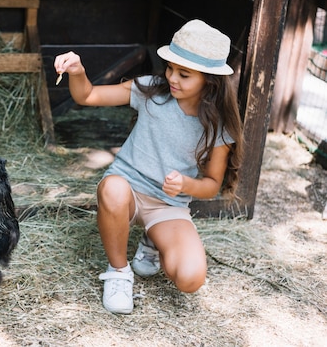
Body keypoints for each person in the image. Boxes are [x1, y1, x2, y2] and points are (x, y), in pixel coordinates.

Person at [53, 19, 244, 314]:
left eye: (184, 74)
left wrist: (185, 184)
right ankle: (118, 273)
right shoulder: (151, 90)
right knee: (113, 189)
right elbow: (87, 95)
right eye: (170, 68)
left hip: (169, 205)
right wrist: (78, 71)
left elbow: (211, 186)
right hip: (127, 191)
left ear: (209, 80)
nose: (172, 78)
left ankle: (153, 238)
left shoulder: (217, 125)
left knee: (190, 279)